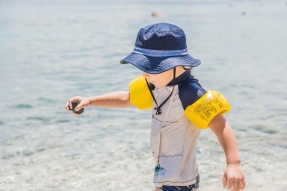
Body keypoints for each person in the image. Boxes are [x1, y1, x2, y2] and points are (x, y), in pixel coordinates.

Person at [65, 23, 245, 191]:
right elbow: (127, 98)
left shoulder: (190, 93)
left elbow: (220, 125)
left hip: (180, 181)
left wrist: (233, 163)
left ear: (176, 65)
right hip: (164, 175)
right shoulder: (155, 84)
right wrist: (90, 101)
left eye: (151, 67)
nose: (144, 72)